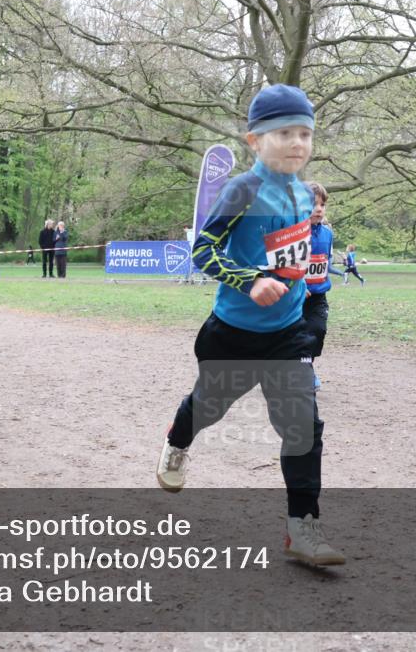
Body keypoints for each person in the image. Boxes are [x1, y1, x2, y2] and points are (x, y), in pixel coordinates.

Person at [155, 84, 344, 567]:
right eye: (285, 133)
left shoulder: (305, 195)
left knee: (303, 427)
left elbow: (294, 262)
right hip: (233, 334)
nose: (298, 143)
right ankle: (178, 442)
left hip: (286, 336)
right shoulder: (243, 188)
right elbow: (203, 250)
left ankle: (302, 529)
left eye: (305, 133)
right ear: (254, 140)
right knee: (209, 408)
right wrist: (250, 280)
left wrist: (305, 307)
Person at [303, 181, 334, 391]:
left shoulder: (327, 233)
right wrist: (296, 284)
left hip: (318, 296)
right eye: (313, 204)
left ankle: (306, 368)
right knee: (296, 336)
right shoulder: (292, 233)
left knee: (318, 331)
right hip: (293, 296)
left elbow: (325, 261)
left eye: (322, 204)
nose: (319, 209)